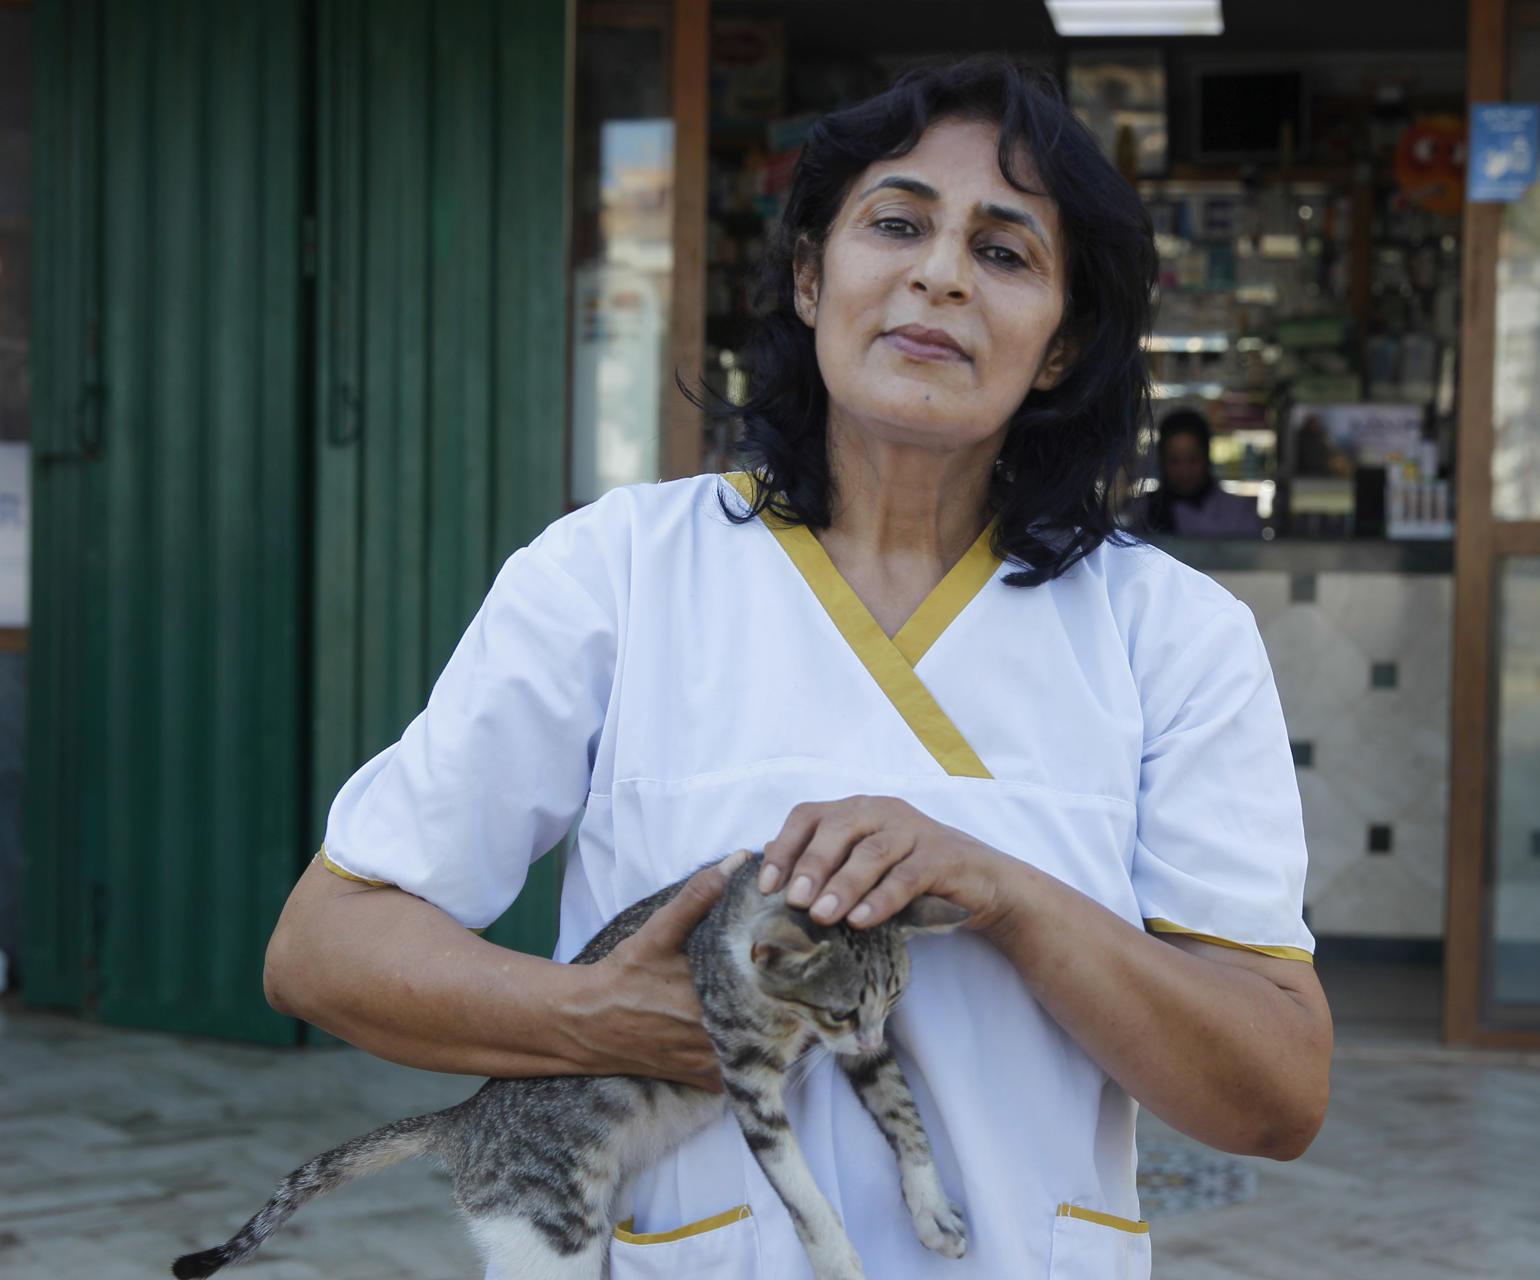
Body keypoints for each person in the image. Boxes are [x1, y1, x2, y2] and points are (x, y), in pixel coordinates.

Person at [263, 57, 1330, 1279]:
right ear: (814, 276)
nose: (938, 272)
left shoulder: (1170, 634)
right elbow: (323, 945)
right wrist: (590, 1015)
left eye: (1005, 251)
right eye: (896, 223)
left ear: (1060, 344)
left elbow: (1277, 1090)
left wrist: (1007, 894)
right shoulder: (616, 572)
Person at [1132, 409, 1265, 536]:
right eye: (1174, 461)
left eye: (1193, 460)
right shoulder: (1144, 510)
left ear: (1207, 457)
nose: (1184, 472)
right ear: (1162, 461)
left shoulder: (1239, 511)